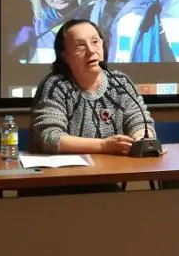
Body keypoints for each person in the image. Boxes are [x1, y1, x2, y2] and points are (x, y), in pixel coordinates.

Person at [30, 19, 156, 155]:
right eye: (80, 46)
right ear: (64, 55)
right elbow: (50, 138)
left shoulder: (121, 82)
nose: (91, 51)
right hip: (71, 173)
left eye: (95, 42)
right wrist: (103, 146)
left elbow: (140, 121)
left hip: (116, 171)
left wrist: (140, 139)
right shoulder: (55, 87)